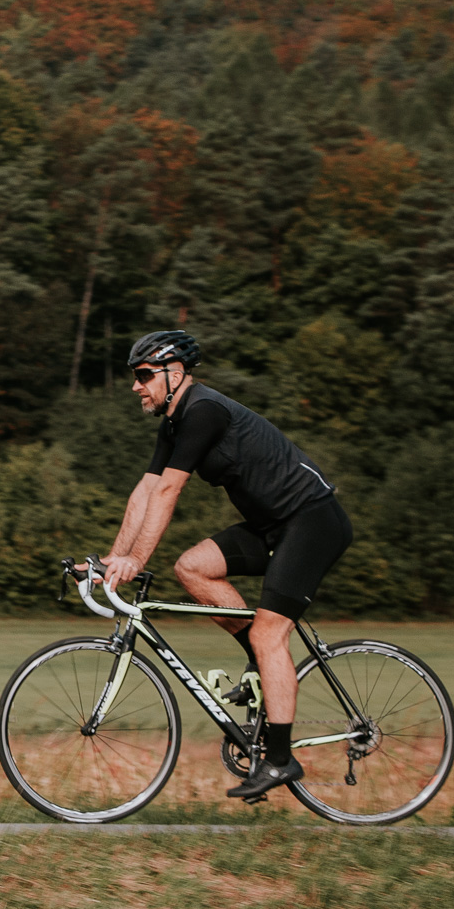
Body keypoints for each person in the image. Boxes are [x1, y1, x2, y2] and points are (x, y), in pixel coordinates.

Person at [98, 328, 353, 801]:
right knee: (192, 567)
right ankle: (261, 665)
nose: (135, 386)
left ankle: (280, 760)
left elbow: (171, 492)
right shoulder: (173, 422)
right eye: (135, 376)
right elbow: (147, 489)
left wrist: (137, 559)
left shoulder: (204, 412)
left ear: (175, 374)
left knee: (269, 630)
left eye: (143, 375)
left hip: (312, 521)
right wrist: (116, 555)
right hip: (271, 526)